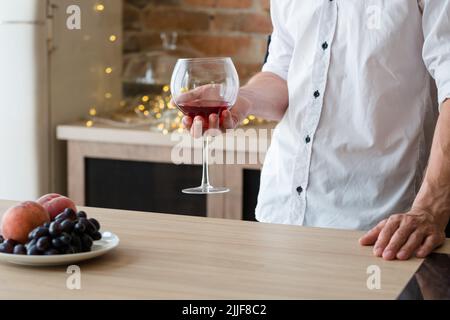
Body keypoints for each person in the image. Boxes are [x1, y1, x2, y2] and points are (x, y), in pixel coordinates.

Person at [182, 1, 450, 260]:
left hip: (383, 230)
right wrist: (241, 99)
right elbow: (282, 72)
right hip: (281, 214)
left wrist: (429, 209)